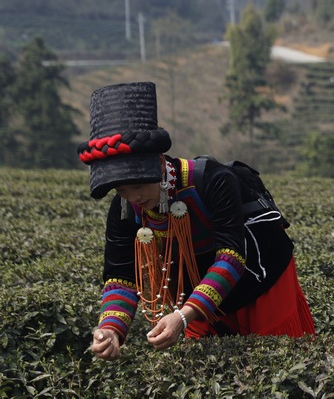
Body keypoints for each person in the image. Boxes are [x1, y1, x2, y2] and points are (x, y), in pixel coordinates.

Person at [77, 82, 315, 361]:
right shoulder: (124, 209)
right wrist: (110, 330)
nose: (133, 197)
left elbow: (231, 256)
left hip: (259, 283)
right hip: (197, 297)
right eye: (122, 190)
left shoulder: (213, 180)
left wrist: (183, 315)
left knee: (275, 360)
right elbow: (121, 278)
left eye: (138, 185)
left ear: (157, 164)